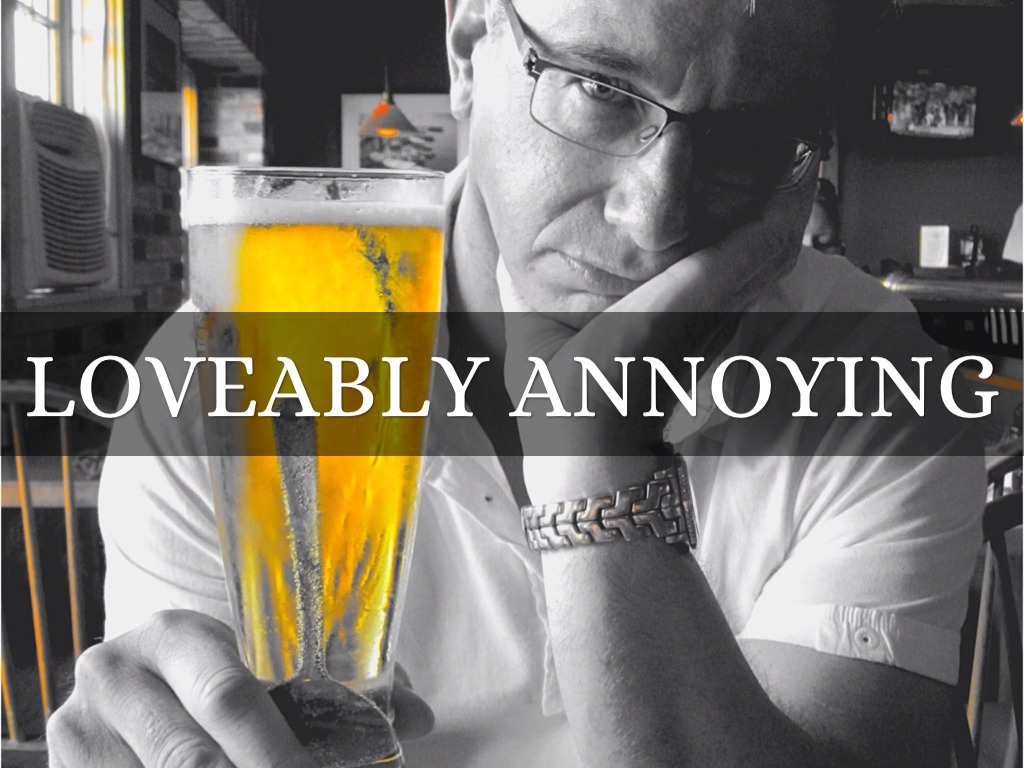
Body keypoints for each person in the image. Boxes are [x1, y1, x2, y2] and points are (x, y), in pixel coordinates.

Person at [47, 0, 986, 766]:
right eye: (601, 89)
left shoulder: (880, 377)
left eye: (748, 136)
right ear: (468, 50)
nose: (654, 217)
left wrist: (597, 451)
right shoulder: (219, 374)